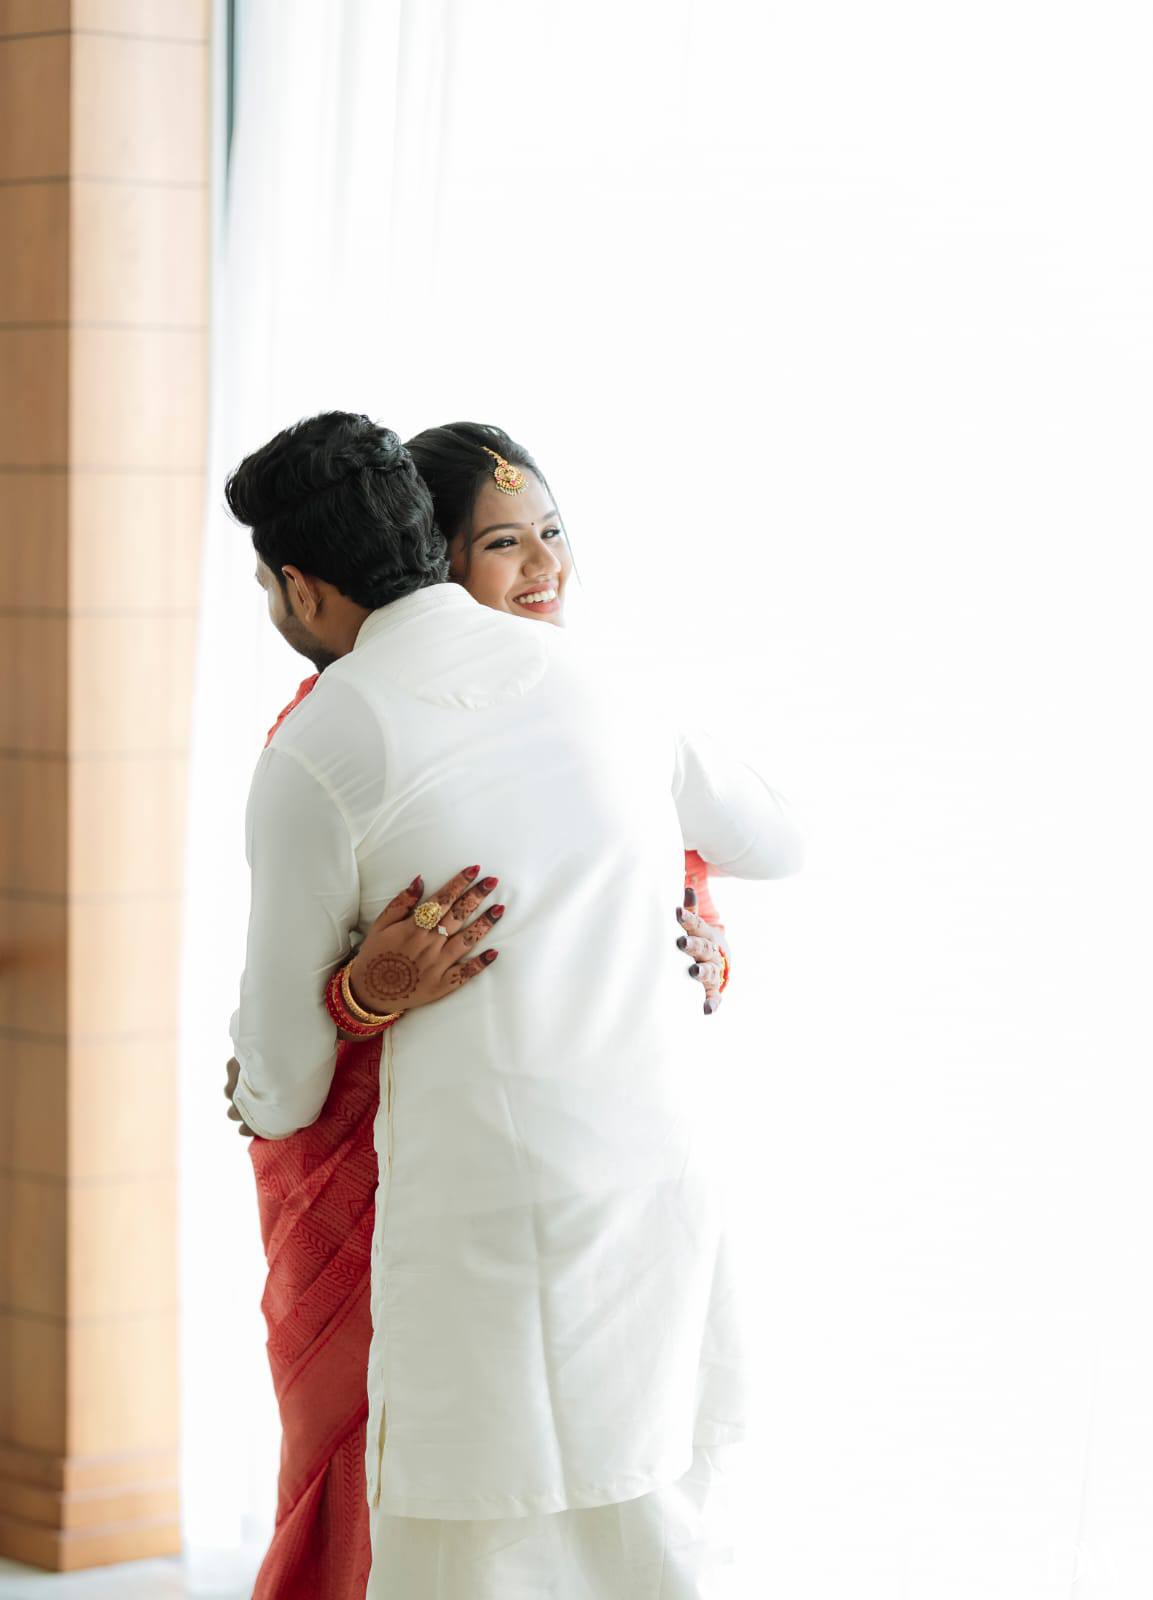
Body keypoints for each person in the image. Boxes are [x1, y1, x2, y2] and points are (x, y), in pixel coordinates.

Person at [224, 413, 802, 1598]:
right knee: (651, 1531)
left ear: (300, 585)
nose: (541, 565)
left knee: (476, 1553)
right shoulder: (602, 682)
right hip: (648, 1190)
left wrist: (681, 908)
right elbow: (773, 837)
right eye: (507, 540)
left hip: (476, 1223)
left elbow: (277, 1086)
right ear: (431, 545)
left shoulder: (324, 740)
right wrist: (674, 888)